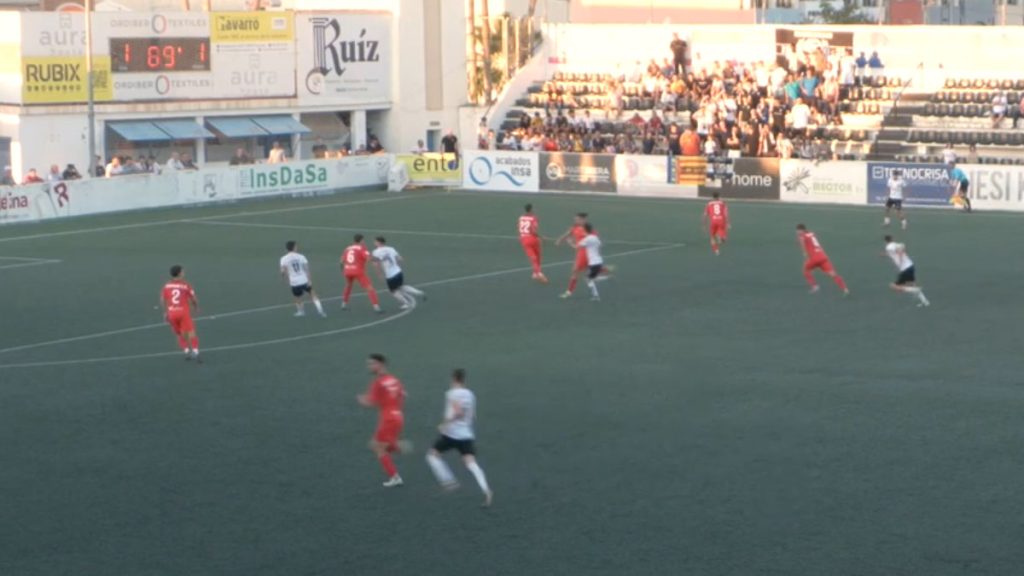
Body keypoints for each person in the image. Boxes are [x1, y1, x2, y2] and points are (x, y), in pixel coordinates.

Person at [425, 368, 494, 507]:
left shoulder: (452, 393)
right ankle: (486, 490)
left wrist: (444, 424)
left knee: (432, 456)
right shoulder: (470, 394)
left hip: (451, 434)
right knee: (471, 464)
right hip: (466, 435)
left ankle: (449, 481)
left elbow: (458, 412)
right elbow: (472, 415)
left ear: (453, 379)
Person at [357, 354, 407, 488]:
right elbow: (403, 394)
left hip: (388, 419)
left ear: (381, 364)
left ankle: (395, 477)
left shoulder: (378, 383)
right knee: (374, 444)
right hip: (398, 416)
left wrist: (362, 401)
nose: (370, 366)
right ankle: (396, 446)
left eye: (372, 364)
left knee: (378, 448)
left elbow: (370, 402)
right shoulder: (394, 380)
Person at [160, 265, 201, 362]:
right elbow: (193, 298)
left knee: (179, 334)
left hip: (172, 313)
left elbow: (162, 299)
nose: (184, 272)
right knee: (191, 333)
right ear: (179, 273)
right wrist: (196, 307)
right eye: (182, 271)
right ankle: (195, 351)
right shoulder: (185, 285)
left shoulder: (167, 285)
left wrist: (165, 312)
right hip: (183, 313)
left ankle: (186, 351)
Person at [372, 236, 426, 310]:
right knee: (401, 286)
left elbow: (376, 264)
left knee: (393, 291)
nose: (374, 243)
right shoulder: (391, 248)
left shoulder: (376, 252)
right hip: (398, 272)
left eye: (375, 241)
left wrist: (379, 274)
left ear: (379, 242)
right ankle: (419, 292)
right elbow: (400, 259)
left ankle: (406, 303)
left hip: (390, 275)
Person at [796, 224, 849, 296]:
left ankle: (815, 286)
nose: (797, 232)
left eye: (798, 230)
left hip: (814, 258)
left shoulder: (801, 236)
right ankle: (845, 289)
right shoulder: (812, 233)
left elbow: (803, 244)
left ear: (801, 230)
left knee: (806, 270)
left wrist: (804, 253)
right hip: (823, 257)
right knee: (833, 274)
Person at [280, 241, 326, 318]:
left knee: (297, 297)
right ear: (294, 247)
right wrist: (309, 280)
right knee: (312, 294)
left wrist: (284, 277)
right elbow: (306, 269)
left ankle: (300, 311)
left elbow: (283, 271)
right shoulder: (301, 256)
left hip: (294, 282)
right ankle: (320, 310)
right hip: (303, 280)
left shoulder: (283, 259)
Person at [883, 235, 930, 308]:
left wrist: (900, 262)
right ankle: (925, 301)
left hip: (904, 269)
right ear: (892, 239)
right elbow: (898, 250)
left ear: (885, 241)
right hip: (910, 266)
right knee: (911, 284)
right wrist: (884, 255)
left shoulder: (889, 247)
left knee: (894, 286)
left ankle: (915, 290)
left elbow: (899, 252)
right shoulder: (897, 244)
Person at [340, 234, 382, 313]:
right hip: (358, 271)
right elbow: (368, 258)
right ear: (361, 240)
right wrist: (377, 259)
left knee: (348, 286)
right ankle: (376, 307)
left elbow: (341, 261)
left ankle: (343, 304)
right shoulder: (362, 248)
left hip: (347, 270)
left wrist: (343, 270)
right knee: (369, 288)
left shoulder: (347, 248)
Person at [556, 213, 592, 299]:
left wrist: (571, 243)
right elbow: (568, 234)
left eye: (577, 219)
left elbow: (583, 245)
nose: (575, 220)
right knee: (586, 271)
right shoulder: (575, 227)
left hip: (584, 253)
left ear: (583, 220)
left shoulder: (586, 230)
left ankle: (569, 292)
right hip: (581, 253)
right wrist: (560, 239)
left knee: (575, 272)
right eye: (575, 219)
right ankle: (604, 271)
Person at [574, 223, 606, 302]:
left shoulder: (586, 239)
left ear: (585, 230)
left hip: (593, 263)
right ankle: (596, 293)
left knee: (588, 278)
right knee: (590, 277)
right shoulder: (595, 237)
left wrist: (569, 242)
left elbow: (576, 247)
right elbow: (600, 245)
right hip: (599, 261)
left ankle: (596, 295)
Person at [518, 204, 548, 283]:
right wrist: (541, 237)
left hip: (523, 238)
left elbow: (519, 227)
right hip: (532, 239)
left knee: (532, 257)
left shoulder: (521, 218)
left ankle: (536, 273)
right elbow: (533, 231)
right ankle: (539, 273)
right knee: (537, 256)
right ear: (531, 209)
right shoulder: (534, 218)